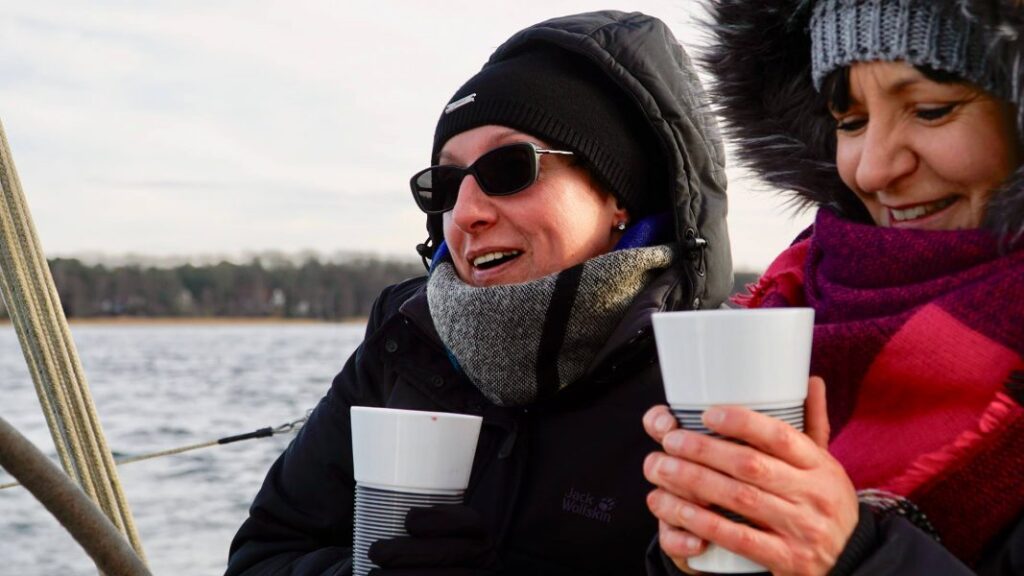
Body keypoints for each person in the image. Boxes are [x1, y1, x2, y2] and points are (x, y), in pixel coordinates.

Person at [225, 10, 732, 575]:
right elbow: (263, 554)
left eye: (511, 167)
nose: (464, 212)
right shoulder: (405, 343)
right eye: (443, 184)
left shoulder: (708, 376)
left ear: (619, 196)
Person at [642, 0, 1024, 574]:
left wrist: (857, 556)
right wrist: (707, 543)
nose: (872, 169)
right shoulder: (798, 296)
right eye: (850, 122)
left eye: (930, 109)